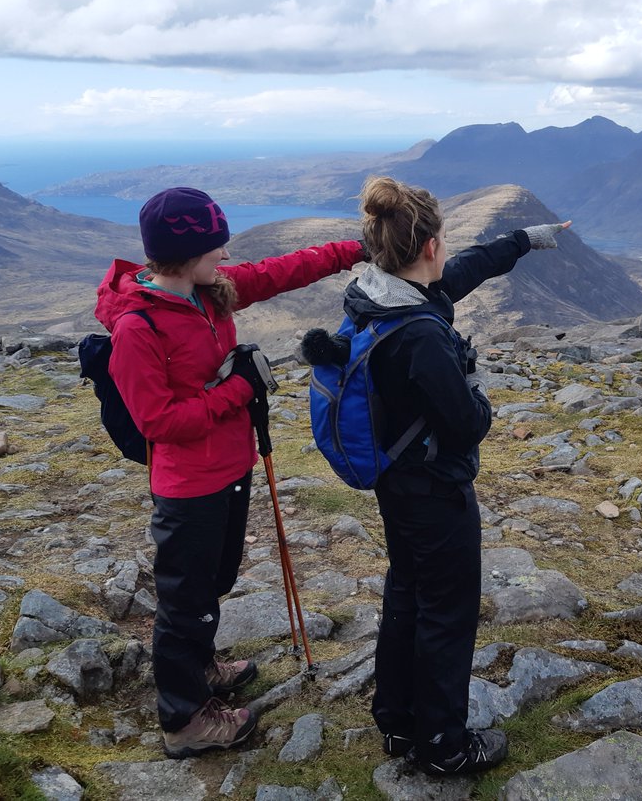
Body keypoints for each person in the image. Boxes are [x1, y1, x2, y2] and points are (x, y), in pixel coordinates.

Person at [93, 186, 367, 758]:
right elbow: (158, 420)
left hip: (229, 467)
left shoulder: (206, 293)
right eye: (217, 246)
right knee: (184, 600)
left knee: (214, 582)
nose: (226, 256)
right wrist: (241, 388)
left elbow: (277, 272)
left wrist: (353, 250)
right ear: (185, 252)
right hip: (188, 484)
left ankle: (202, 668)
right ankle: (184, 720)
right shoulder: (138, 329)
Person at [344, 175, 569, 777]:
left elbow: (466, 270)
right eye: (443, 240)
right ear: (429, 247)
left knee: (408, 594)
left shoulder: (380, 295)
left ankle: (397, 722)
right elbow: (466, 423)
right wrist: (477, 389)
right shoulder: (420, 334)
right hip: (435, 488)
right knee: (447, 609)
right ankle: (443, 744)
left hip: (398, 480)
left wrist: (521, 240)